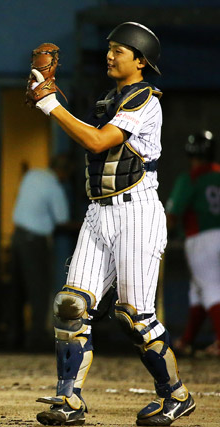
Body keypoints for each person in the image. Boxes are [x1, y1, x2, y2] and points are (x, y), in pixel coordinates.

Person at [27, 22, 196, 426]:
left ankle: (176, 395)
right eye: (110, 48)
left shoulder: (146, 100)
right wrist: (50, 103)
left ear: (140, 60)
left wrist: (50, 104)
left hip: (137, 211)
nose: (110, 54)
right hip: (99, 211)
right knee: (71, 306)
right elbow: (90, 136)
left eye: (120, 50)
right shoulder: (109, 99)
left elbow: (99, 142)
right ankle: (69, 400)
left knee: (135, 316)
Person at [8, 154, 70, 351]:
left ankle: (13, 336)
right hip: (35, 241)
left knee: (16, 289)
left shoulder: (32, 176)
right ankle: (35, 338)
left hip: (17, 236)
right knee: (38, 290)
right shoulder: (55, 188)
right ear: (63, 171)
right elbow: (62, 220)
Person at [166, 130, 220, 357]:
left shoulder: (190, 178)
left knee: (210, 289)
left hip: (201, 238)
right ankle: (187, 341)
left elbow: (173, 214)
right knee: (198, 291)